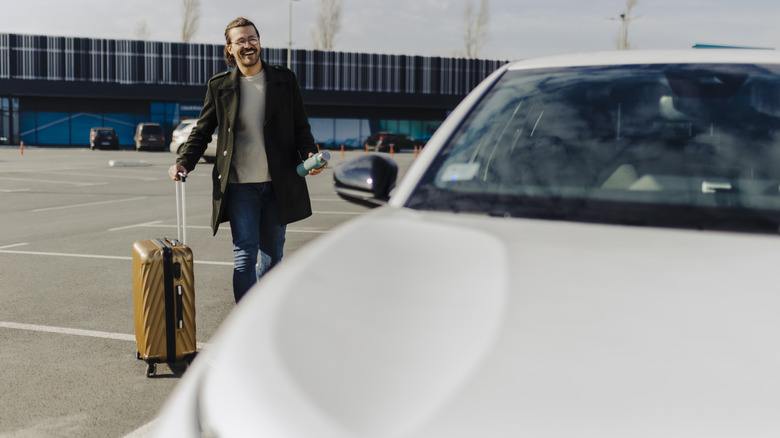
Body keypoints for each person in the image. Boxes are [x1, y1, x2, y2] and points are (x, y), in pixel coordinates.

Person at [168, 16, 325, 302]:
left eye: (252, 38)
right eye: (240, 41)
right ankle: (244, 319)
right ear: (229, 49)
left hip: (278, 185)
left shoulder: (284, 80)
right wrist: (183, 162)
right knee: (244, 255)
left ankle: (262, 314)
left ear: (259, 42)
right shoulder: (220, 86)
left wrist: (310, 154)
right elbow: (202, 131)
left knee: (272, 256)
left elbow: (301, 127)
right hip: (239, 186)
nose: (247, 45)